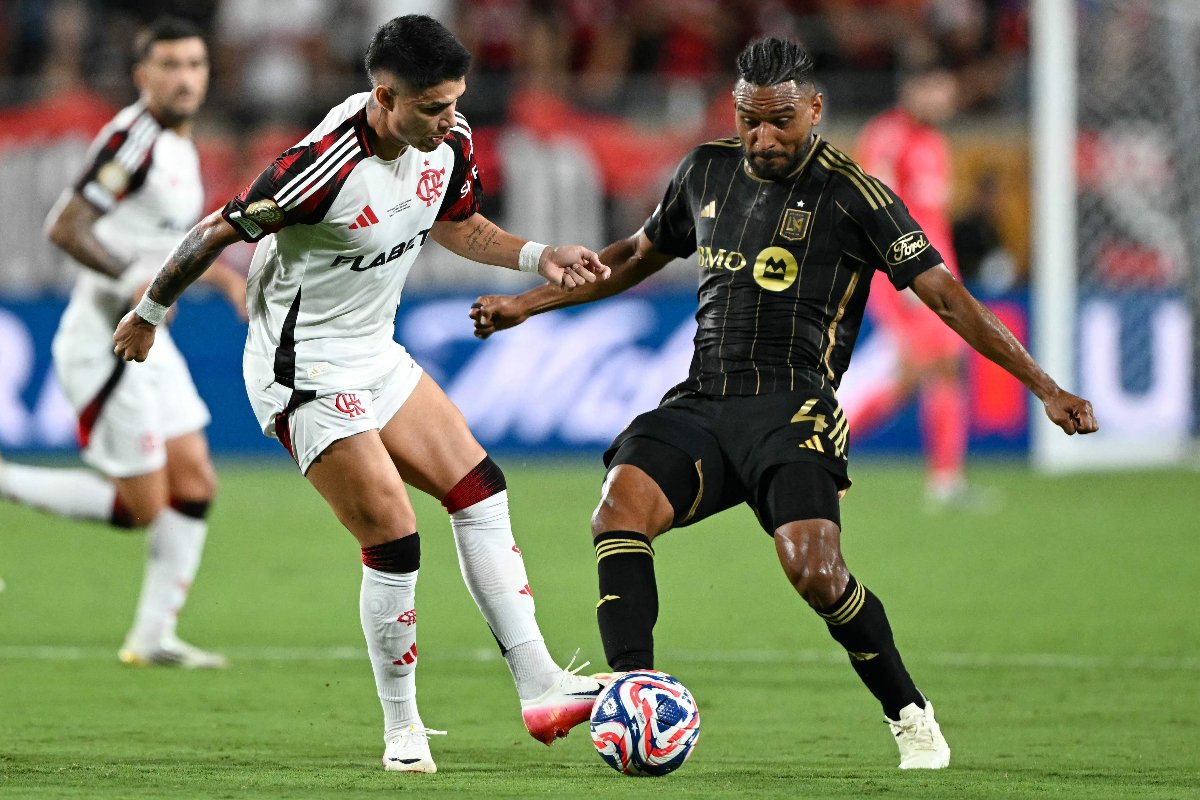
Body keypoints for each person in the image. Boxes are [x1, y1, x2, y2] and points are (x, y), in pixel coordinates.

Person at [469, 37, 1099, 769]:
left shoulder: (856, 196)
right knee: (618, 510)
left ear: (816, 110)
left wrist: (1046, 387)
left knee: (815, 572)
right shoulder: (705, 169)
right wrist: (528, 302)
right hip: (704, 399)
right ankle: (636, 690)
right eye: (750, 121)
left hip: (793, 410)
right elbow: (635, 256)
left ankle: (909, 711)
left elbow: (949, 299)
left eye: (781, 122)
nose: (763, 138)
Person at [113, 15, 612, 775]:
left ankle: (540, 684)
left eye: (455, 104)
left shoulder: (449, 139)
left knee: (480, 491)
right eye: (433, 108)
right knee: (394, 535)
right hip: (302, 371)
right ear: (385, 96)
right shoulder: (316, 169)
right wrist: (149, 314)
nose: (449, 122)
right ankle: (404, 731)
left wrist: (539, 257)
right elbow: (215, 230)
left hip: (374, 354)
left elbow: (459, 222)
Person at [0, 17, 243, 669]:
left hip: (149, 339)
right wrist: (136, 281)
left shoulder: (180, 146)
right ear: (143, 75)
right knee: (143, 506)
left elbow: (154, 242)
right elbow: (66, 227)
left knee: (193, 479)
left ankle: (153, 636)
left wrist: (219, 280)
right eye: (169, 65)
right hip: (108, 342)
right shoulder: (133, 139)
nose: (184, 77)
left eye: (194, 64)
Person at [852, 64, 980, 508]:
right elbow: (877, 210)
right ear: (914, 89)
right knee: (932, 366)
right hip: (905, 275)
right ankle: (814, 450)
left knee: (926, 371)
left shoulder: (934, 142)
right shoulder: (888, 136)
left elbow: (934, 221)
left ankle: (945, 479)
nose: (945, 101)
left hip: (938, 275)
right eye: (937, 91)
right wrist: (900, 274)